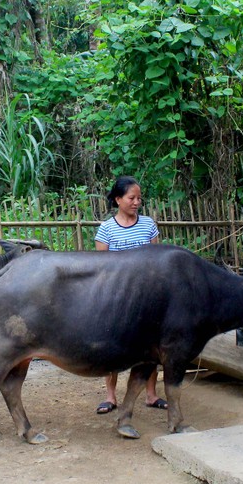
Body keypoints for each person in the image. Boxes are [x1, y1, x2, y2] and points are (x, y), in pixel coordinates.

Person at [93, 176, 167, 414]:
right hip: (118, 298)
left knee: (151, 347)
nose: (136, 202)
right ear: (118, 199)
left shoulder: (148, 225)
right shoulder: (106, 229)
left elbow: (157, 260)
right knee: (113, 345)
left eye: (139, 198)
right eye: (131, 198)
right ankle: (111, 396)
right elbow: (102, 268)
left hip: (147, 297)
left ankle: (151, 394)